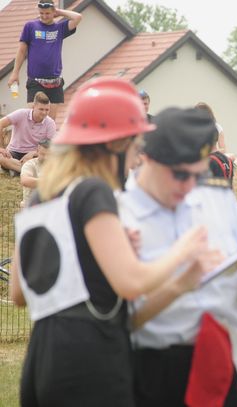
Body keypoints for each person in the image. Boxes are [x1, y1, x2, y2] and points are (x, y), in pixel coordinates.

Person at [10, 77, 212, 407]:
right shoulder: (93, 190)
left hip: (41, 361)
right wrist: (184, 250)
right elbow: (131, 282)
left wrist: (97, 259)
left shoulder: (42, 195)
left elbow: (19, 292)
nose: (136, 160)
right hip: (92, 362)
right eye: (134, 148)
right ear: (115, 145)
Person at [120, 107, 237, 407]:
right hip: (156, 373)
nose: (189, 186)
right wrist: (181, 283)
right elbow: (119, 321)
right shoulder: (119, 215)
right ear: (147, 158)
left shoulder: (218, 200)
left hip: (227, 363)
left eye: (197, 175)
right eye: (179, 174)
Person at [7, 0, 83, 121]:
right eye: (41, 13)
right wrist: (15, 73)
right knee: (33, 118)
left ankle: (47, 140)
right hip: (35, 81)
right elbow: (21, 51)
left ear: (53, 12)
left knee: (50, 122)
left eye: (47, 13)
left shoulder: (60, 28)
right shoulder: (30, 26)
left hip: (55, 82)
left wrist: (59, 12)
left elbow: (78, 17)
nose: (44, 16)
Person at [0, 91, 56, 174]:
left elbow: (50, 145)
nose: (44, 112)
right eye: (41, 109)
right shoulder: (21, 113)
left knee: (49, 158)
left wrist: (34, 153)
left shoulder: (50, 123)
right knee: (1, 158)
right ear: (33, 107)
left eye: (47, 110)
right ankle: (27, 170)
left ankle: (16, 169)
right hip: (13, 151)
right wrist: (1, 148)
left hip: (33, 155)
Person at [20, 138, 50, 208]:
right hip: (32, 203)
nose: (46, 158)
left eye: (49, 155)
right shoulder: (30, 164)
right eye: (43, 154)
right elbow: (25, 181)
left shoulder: (57, 165)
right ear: (37, 151)